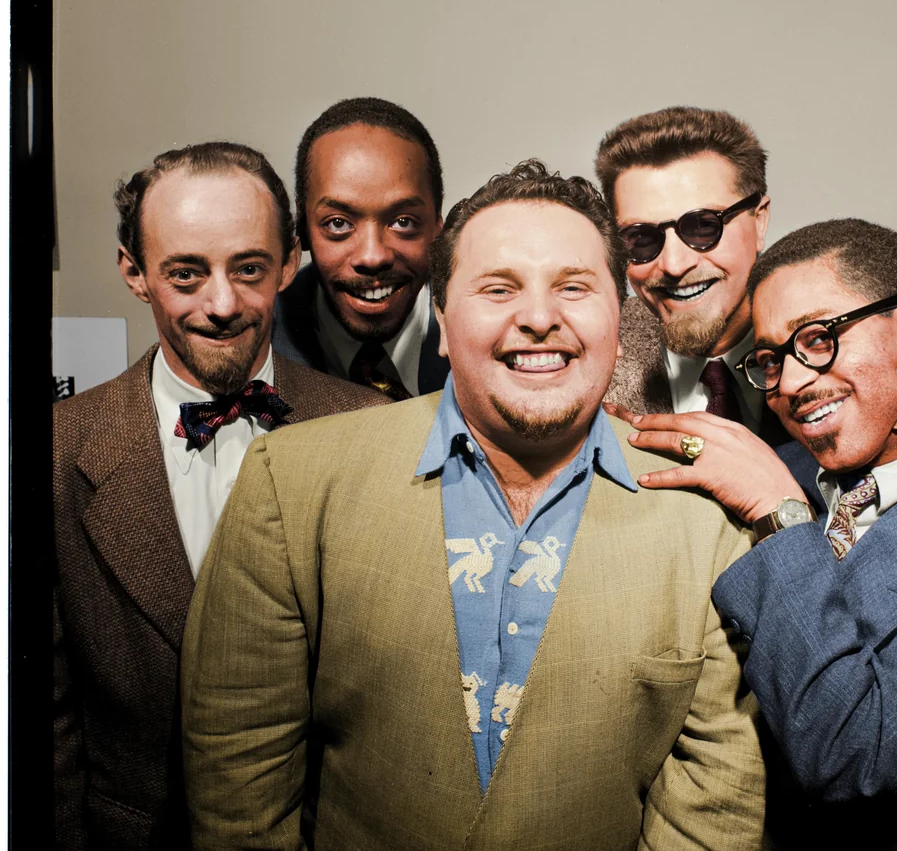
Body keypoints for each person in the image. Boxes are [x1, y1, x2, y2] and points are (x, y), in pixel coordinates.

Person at [181, 161, 765, 851]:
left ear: (619, 312)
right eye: (499, 288)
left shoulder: (707, 518)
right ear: (441, 316)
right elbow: (237, 761)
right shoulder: (293, 481)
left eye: (574, 287)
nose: (540, 318)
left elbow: (716, 796)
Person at [620, 218, 897, 849]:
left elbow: (858, 747)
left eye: (819, 338)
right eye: (772, 360)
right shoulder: (782, 470)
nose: (794, 384)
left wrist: (779, 515)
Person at [53, 143, 388, 851]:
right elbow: (45, 718)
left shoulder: (374, 431)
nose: (222, 303)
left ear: (289, 263)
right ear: (133, 272)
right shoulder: (54, 450)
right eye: (185, 273)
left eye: (248, 268)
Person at [596, 105, 897, 456]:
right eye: (641, 238)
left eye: (703, 227)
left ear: (759, 220)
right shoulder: (594, 358)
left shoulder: (886, 329)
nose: (672, 263)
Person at [272, 96, 450, 398]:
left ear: (437, 227)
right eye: (338, 224)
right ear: (301, 227)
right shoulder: (260, 338)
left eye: (403, 222)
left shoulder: (487, 329)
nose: (372, 256)